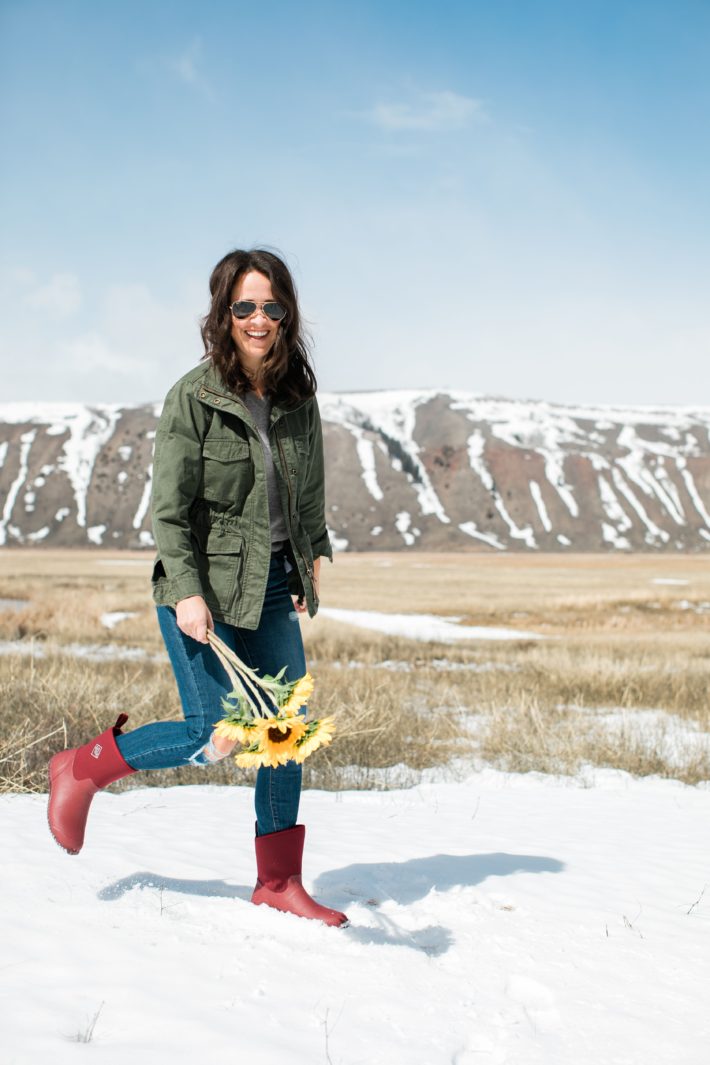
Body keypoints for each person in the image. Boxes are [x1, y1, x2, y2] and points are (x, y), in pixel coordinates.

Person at [47, 248, 348, 928]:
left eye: (272, 306)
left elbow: (309, 495)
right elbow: (170, 510)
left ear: (287, 313)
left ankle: (277, 881)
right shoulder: (194, 394)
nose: (259, 319)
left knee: (284, 729)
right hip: (201, 590)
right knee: (213, 729)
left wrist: (310, 562)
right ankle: (83, 768)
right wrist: (186, 591)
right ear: (223, 313)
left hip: (271, 584)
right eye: (245, 306)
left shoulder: (299, 398)